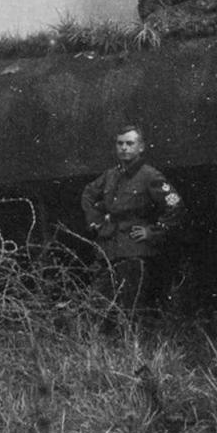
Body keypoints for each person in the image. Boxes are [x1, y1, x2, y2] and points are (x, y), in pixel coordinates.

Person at [80, 124, 185, 312]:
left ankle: (132, 341)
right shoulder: (110, 175)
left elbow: (175, 206)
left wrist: (152, 231)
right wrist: (95, 221)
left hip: (134, 252)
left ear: (141, 147)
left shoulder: (150, 176)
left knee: (131, 307)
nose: (124, 148)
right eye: (120, 144)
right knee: (99, 305)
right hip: (109, 249)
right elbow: (88, 195)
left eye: (130, 143)